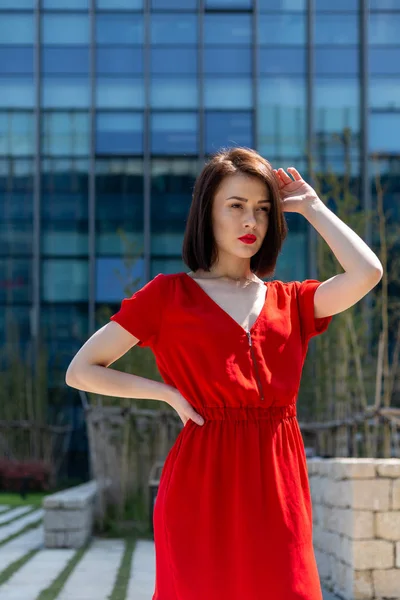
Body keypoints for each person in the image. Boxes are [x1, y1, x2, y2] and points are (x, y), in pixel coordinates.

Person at [65, 147, 383, 600]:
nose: (250, 220)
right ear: (207, 213)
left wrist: (312, 206)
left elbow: (368, 272)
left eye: (262, 209)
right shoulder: (167, 297)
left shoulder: (291, 301)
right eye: (235, 206)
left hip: (279, 485)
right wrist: (168, 394)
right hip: (201, 483)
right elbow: (81, 370)